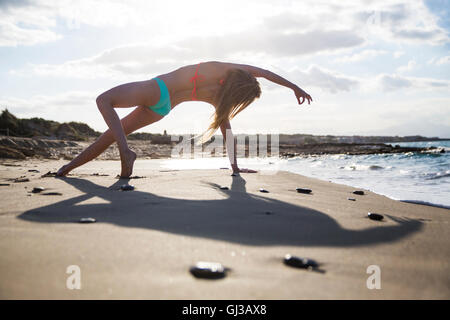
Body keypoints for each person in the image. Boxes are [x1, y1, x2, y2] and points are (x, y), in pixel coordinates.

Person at [56, 61, 313, 177]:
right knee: (111, 133)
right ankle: (66, 169)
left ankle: (125, 151)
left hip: (158, 89)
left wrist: (295, 87)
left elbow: (265, 72)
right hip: (162, 109)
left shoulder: (222, 69)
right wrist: (234, 167)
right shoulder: (219, 99)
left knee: (104, 101)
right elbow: (228, 133)